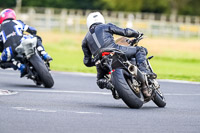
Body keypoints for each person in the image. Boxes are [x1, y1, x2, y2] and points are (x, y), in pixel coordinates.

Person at [82, 12, 157, 98]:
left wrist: (96, 60)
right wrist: (137, 33)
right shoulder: (106, 26)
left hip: (100, 61)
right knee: (140, 50)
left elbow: (87, 61)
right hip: (115, 50)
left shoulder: (85, 40)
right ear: (101, 19)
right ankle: (144, 71)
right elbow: (125, 32)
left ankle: (111, 86)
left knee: (100, 80)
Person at [0, 8, 52, 76]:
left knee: (2, 63)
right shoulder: (18, 22)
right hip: (22, 41)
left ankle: (19, 66)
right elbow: (32, 30)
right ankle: (44, 54)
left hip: (9, 49)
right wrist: (33, 33)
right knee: (36, 38)